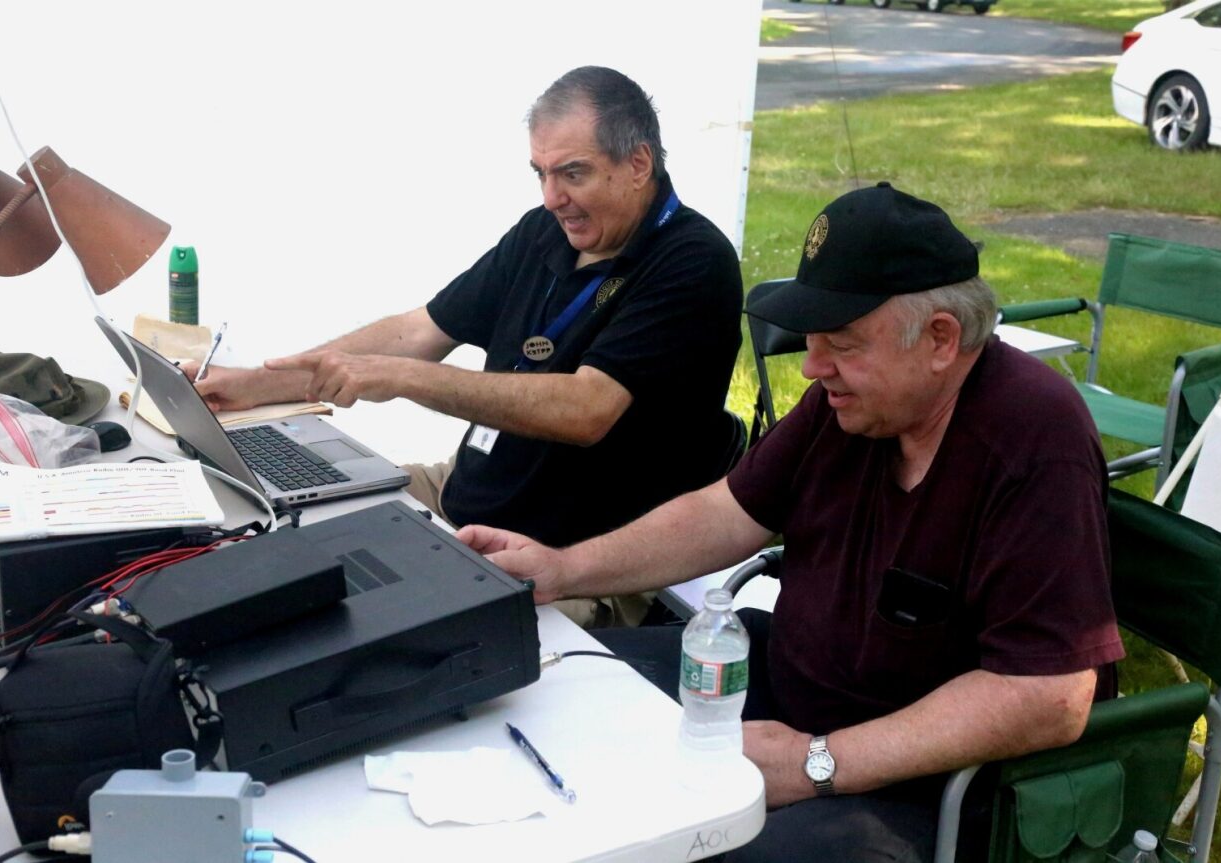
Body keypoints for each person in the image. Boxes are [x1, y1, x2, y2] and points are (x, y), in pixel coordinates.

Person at [456, 183, 1125, 861]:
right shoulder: (856, 405)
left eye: (842, 343)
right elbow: (724, 513)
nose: (812, 367)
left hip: (933, 787)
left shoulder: (1035, 437)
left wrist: (816, 762)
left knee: (705, 847)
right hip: (784, 690)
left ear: (940, 339)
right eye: (812, 340)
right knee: (562, 692)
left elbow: (1050, 695)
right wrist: (562, 567)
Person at [190, 66, 743, 628]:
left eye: (572, 173)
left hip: (567, 562)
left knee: (337, 625)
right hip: (457, 499)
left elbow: (587, 410)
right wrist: (255, 385)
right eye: (541, 173)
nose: (553, 198)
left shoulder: (692, 261)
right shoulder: (544, 231)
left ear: (638, 164)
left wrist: (405, 379)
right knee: (251, 529)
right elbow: (418, 332)